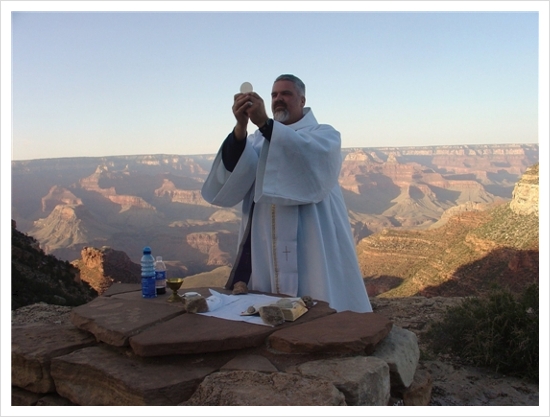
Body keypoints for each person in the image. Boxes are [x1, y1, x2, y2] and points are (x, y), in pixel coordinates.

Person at [201, 74, 372, 313]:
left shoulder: (323, 135)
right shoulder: (257, 139)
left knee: (317, 293)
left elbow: (304, 152)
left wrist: (265, 124)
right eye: (274, 95)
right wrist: (241, 127)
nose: (278, 99)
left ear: (302, 100)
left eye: (286, 94)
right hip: (265, 241)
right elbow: (235, 172)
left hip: (311, 237)